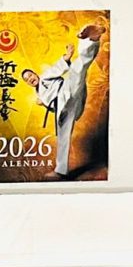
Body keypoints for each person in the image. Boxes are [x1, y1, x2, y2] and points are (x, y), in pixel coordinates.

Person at [21, 24, 104, 179]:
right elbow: (53, 107)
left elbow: (58, 68)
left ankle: (91, 39)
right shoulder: (39, 94)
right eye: (27, 80)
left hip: (66, 91)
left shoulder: (45, 76)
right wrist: (44, 104)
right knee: (63, 137)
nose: (30, 79)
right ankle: (60, 171)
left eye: (30, 75)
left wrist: (67, 56)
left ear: (35, 74)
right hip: (65, 108)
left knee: (77, 70)